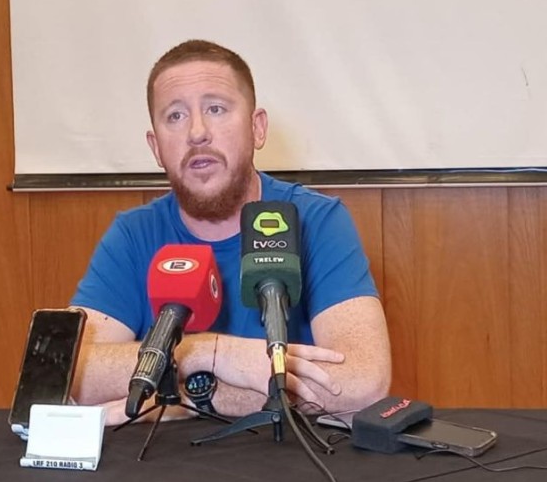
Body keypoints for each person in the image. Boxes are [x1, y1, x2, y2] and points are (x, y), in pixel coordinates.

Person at [70, 39, 391, 425]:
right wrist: (209, 352)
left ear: (257, 128)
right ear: (156, 147)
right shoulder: (133, 235)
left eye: (216, 109)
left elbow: (362, 382)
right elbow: (71, 372)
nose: (197, 132)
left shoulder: (316, 221)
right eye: (175, 116)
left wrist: (188, 397)